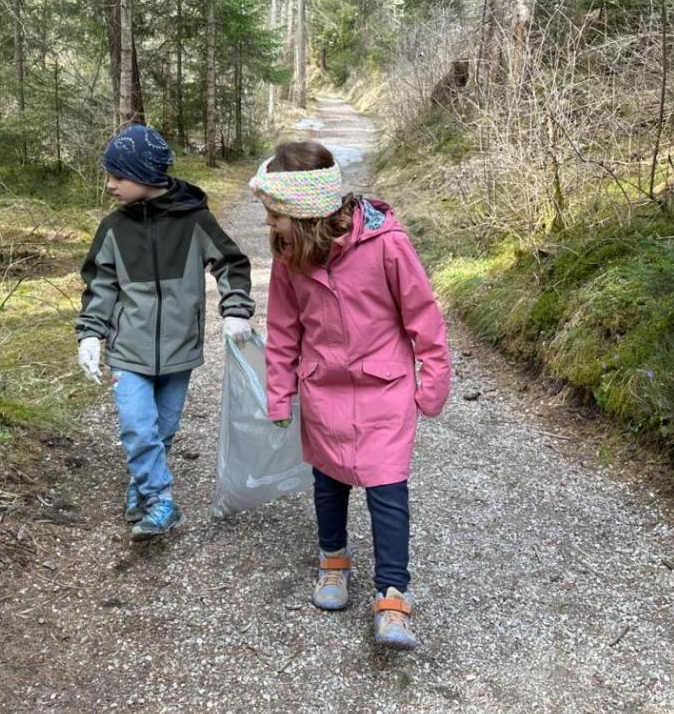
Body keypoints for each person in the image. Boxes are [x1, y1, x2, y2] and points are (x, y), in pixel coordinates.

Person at [252, 140, 450, 650]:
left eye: (275, 213)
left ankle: (393, 595)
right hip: (324, 387)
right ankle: (333, 560)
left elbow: (423, 315)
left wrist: (433, 378)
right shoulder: (290, 257)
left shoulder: (387, 245)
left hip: (385, 388)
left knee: (388, 490)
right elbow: (283, 329)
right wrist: (279, 392)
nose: (268, 223)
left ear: (306, 212)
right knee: (329, 480)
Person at [76, 123, 254, 539]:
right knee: (138, 427)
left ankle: (142, 485)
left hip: (180, 350)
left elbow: (231, 263)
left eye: (118, 175)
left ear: (146, 175)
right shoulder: (113, 228)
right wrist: (89, 334)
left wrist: (236, 310)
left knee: (162, 431)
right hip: (128, 351)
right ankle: (161, 500)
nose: (109, 184)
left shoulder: (194, 220)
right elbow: (100, 285)